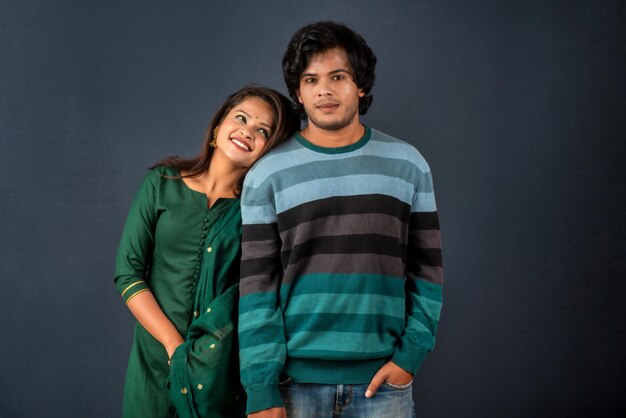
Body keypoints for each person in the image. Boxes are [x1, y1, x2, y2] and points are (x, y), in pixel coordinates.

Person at [238, 22, 444, 418]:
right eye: (310, 79)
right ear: (298, 92)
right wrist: (261, 388)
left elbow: (428, 272)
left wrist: (409, 359)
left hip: (383, 386)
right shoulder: (267, 174)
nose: (324, 90)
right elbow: (257, 288)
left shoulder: (408, 164)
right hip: (291, 387)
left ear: (361, 85)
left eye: (338, 76)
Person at [114, 85, 299, 418]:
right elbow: (128, 273)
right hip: (153, 364)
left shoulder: (256, 213)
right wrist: (173, 344)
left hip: (217, 373)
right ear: (218, 126)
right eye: (240, 118)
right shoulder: (162, 183)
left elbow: (260, 295)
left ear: (268, 150)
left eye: (262, 131)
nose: (247, 131)